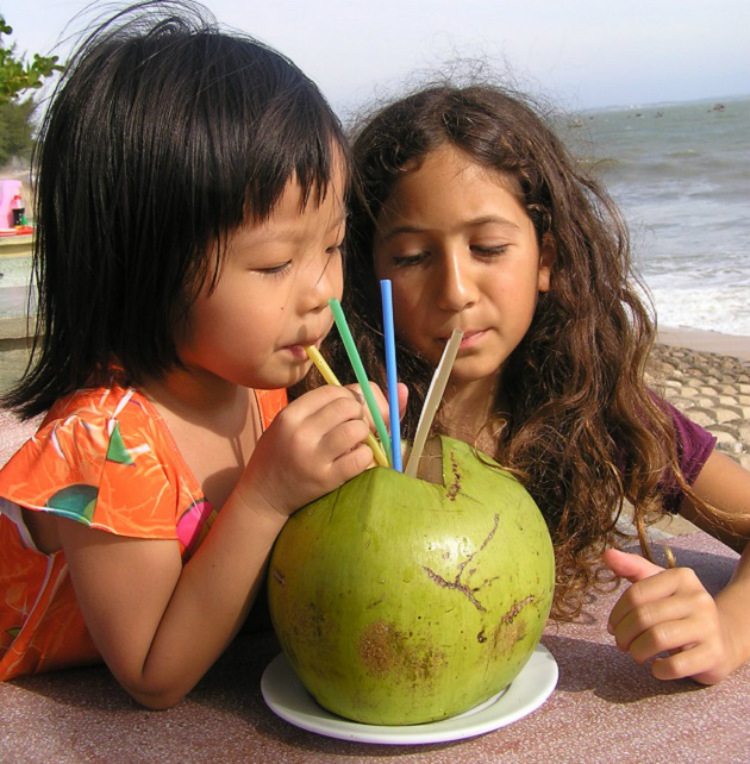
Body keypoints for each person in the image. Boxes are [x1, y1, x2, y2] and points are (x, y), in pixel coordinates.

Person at [0, 1, 395, 708]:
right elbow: (153, 673)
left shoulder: (257, 378)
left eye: (332, 246)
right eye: (276, 264)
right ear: (143, 268)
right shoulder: (109, 443)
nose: (322, 292)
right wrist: (269, 493)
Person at [329, 82, 750, 685]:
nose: (454, 290)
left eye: (489, 248)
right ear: (368, 273)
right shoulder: (348, 422)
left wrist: (729, 629)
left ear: (546, 260)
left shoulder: (596, 410)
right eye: (413, 257)